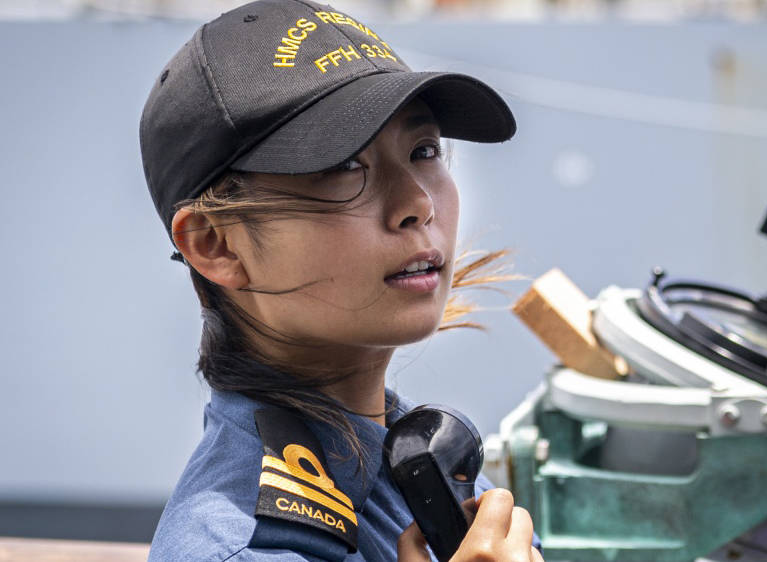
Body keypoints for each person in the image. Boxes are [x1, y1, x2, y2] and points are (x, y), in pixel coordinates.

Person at [139, 1, 542, 560]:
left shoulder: (413, 466)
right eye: (345, 167)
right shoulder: (243, 548)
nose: (418, 203)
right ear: (216, 243)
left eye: (423, 151)